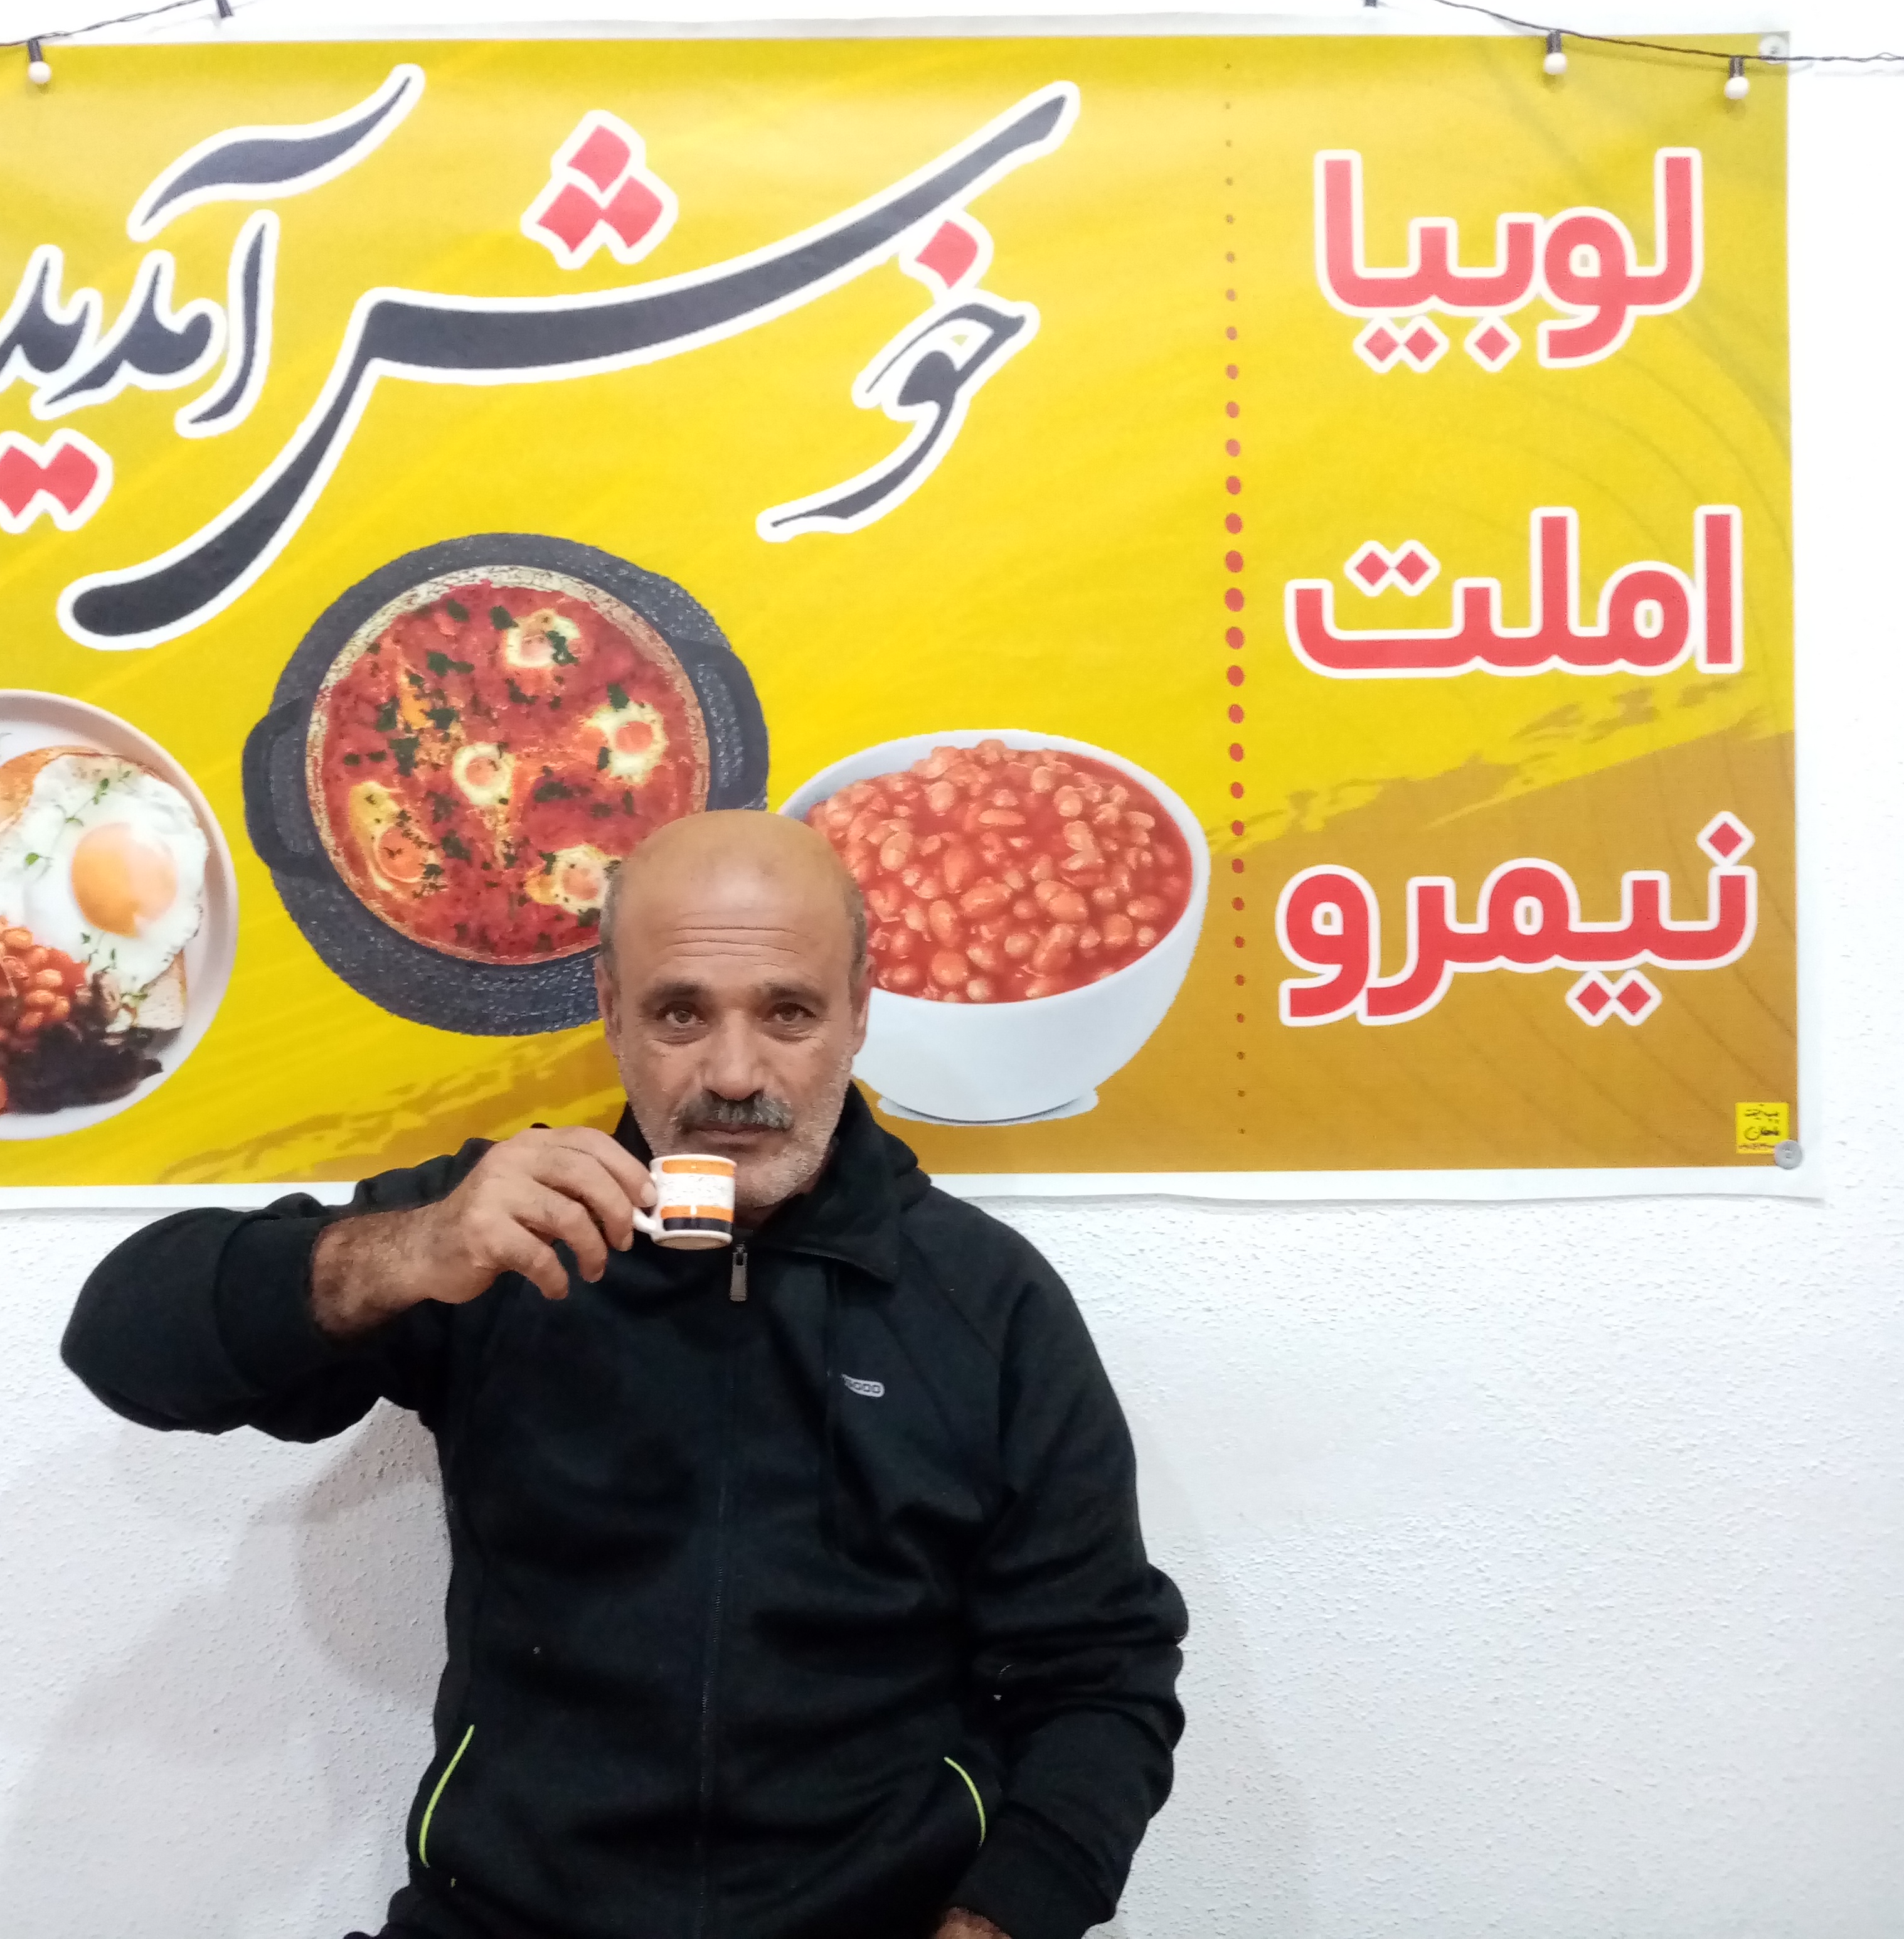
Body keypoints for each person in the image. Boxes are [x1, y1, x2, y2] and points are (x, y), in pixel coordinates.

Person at [62, 809, 1187, 1939]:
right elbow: (121, 1340)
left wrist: (997, 1922)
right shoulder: (500, 1224)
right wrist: (410, 1250)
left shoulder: (986, 1300)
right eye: (680, 1013)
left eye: (788, 1013)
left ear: (858, 1012)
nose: (734, 1074)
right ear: (610, 1009)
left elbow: (1103, 1677)